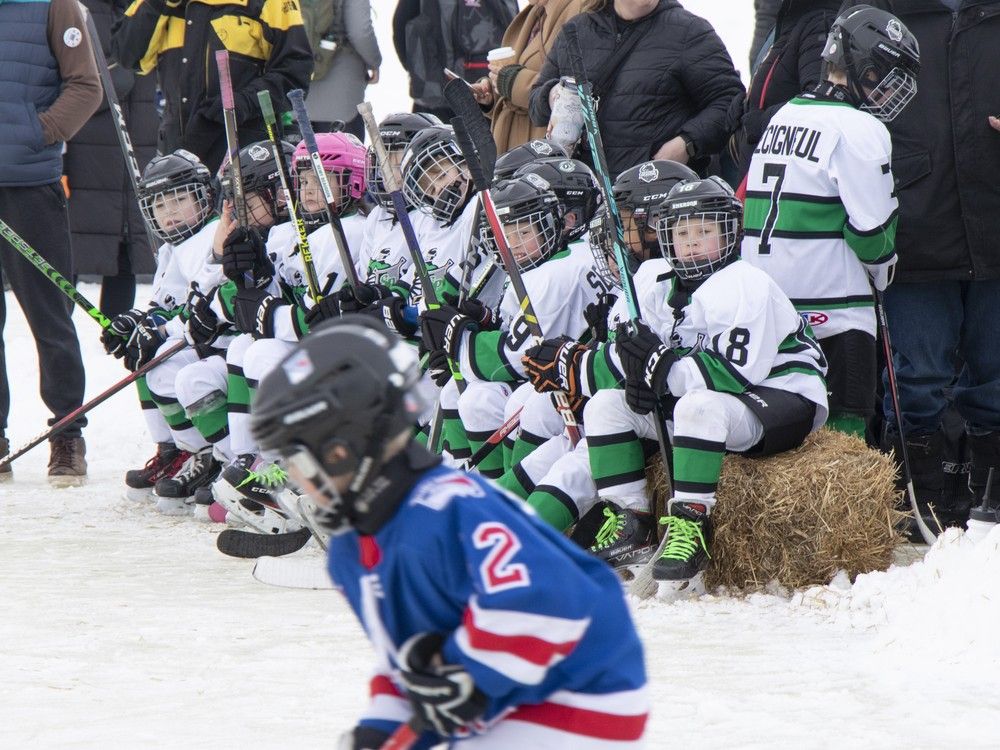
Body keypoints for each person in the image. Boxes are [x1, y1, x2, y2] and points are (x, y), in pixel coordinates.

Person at [249, 316, 649, 749]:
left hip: (583, 694)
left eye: (295, 457)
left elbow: (549, 603)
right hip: (501, 705)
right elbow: (409, 670)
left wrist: (468, 677)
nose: (290, 474)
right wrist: (378, 731)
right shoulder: (352, 552)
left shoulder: (450, 508)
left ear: (341, 449)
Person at [741, 5, 920, 440]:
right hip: (834, 307)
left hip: (768, 300)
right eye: (884, 76)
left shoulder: (783, 116)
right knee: (844, 426)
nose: (886, 92)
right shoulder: (859, 127)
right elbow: (871, 234)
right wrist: (882, 274)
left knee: (783, 420)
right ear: (864, 68)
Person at [863, 0, 1000, 532]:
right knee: (917, 378)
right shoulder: (876, 15)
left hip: (993, 222)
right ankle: (916, 497)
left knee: (994, 379)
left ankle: (987, 492)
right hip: (917, 225)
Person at [0, 0, 103, 485]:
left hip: (30, 186)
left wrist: (33, 133)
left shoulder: (55, 5)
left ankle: (67, 434)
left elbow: (86, 86)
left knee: (49, 316)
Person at [528, 0, 745, 177]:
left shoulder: (690, 32)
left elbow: (729, 100)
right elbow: (536, 105)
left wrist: (687, 144)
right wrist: (553, 95)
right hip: (586, 199)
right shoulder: (575, 32)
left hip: (656, 196)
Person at [110, 0, 312, 173]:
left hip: (245, 154)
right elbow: (125, 54)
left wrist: (243, 103)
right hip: (178, 153)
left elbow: (296, 73)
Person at [65, 0, 159, 318]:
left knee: (127, 246)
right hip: (86, 150)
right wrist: (121, 70)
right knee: (76, 243)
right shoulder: (75, 9)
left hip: (137, 146)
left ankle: (117, 338)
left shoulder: (149, 7)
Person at [728, 0, 843, 183]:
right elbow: (778, 86)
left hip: (788, 182)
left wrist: (759, 122)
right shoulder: (792, 20)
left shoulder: (821, 23)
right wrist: (743, 109)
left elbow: (819, 103)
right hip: (766, 177)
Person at [466, 0, 582, 153]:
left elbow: (576, 88)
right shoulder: (535, 12)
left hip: (544, 151)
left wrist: (513, 82)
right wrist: (492, 92)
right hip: (515, 148)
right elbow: (515, 71)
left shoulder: (581, 10)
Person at [392, 0, 518, 123]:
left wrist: (419, 70)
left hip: (437, 95)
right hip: (490, 94)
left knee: (434, 143)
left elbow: (400, 25)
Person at [301, 0, 382, 142]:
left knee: (297, 161)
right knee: (344, 160)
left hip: (295, 95)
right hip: (341, 98)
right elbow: (360, 31)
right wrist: (374, 62)